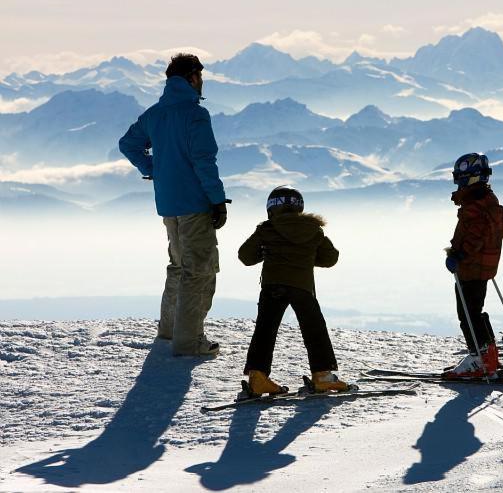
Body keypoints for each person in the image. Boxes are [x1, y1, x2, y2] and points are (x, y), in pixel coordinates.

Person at [119, 53, 228, 356]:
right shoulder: (194, 114)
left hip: (168, 203)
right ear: (193, 78)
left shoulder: (155, 114)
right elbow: (204, 161)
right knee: (200, 270)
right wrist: (218, 201)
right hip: (195, 203)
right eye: (200, 78)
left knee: (178, 265)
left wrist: (154, 168)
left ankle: (169, 330)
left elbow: (127, 144)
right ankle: (188, 341)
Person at [238, 186, 348, 395]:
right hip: (302, 287)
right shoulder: (313, 230)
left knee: (265, 330)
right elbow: (331, 258)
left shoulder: (266, 229)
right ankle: (323, 376)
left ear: (271, 208)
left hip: (272, 286)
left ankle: (258, 378)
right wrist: (305, 258)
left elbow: (245, 256)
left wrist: (265, 253)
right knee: (314, 329)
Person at [444, 153, 503, 378]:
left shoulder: (474, 207)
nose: (459, 183)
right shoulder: (490, 201)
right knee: (475, 310)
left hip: (470, 267)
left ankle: (479, 359)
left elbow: (474, 236)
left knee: (466, 313)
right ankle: (488, 355)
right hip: (484, 266)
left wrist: (459, 254)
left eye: (461, 178)